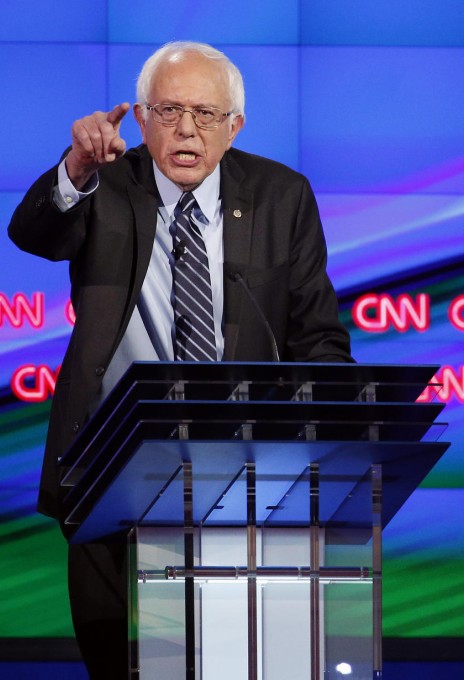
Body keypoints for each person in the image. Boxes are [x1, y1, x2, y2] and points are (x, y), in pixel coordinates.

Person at [8, 41, 353, 678]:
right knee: (119, 659)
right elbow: (33, 233)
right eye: (168, 111)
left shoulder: (282, 195)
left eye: (204, 113)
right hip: (108, 457)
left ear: (235, 125)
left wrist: (324, 432)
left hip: (239, 466)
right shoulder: (106, 182)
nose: (186, 129)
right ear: (140, 119)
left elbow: (318, 335)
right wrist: (76, 168)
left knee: (222, 658)